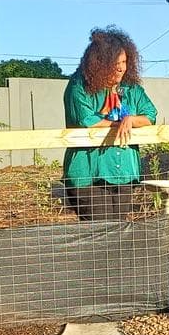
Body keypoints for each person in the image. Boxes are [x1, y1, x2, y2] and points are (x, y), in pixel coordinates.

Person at [63, 26, 158, 221]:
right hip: (89, 175)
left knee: (117, 231)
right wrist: (117, 123)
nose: (121, 68)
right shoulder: (79, 86)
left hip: (124, 172)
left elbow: (150, 115)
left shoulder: (131, 88)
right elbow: (87, 121)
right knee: (100, 232)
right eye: (116, 63)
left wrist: (130, 119)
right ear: (100, 63)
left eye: (124, 62)